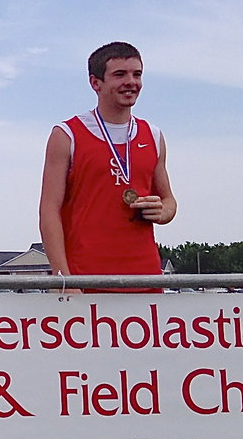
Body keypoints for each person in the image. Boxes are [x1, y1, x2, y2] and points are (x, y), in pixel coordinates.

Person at [38, 42, 176, 292]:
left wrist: (162, 211)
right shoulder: (67, 135)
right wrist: (63, 280)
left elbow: (169, 201)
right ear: (95, 83)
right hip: (86, 279)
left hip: (145, 278)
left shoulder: (153, 135)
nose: (131, 82)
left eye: (137, 74)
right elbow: (49, 210)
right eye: (120, 74)